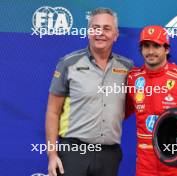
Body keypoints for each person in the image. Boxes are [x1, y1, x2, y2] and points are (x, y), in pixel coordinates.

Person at [45, 7, 133, 176]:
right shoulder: (68, 64)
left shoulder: (128, 68)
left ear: (115, 35)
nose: (100, 33)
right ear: (88, 32)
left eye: (106, 28)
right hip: (73, 153)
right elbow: (52, 112)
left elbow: (142, 94)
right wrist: (52, 154)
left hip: (109, 155)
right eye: (95, 28)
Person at [126, 25, 177, 176]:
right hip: (145, 163)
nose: (150, 51)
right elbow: (121, 111)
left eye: (156, 46)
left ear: (167, 49)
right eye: (146, 46)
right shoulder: (133, 78)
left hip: (176, 161)